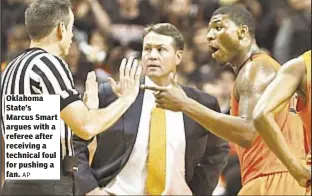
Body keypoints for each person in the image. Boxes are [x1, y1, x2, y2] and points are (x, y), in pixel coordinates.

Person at [143, 6, 307, 195]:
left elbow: (247, 132)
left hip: (273, 179)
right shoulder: (260, 69)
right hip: (285, 178)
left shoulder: (256, 69)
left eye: (218, 27)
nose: (210, 36)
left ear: (243, 32)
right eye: (209, 31)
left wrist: (185, 104)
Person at [0, 0, 141, 195]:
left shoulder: (11, 68)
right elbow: (86, 127)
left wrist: (88, 110)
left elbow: (38, 141)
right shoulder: (49, 64)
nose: (72, 37)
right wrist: (127, 98)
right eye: (71, 28)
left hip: (18, 182)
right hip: (48, 184)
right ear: (60, 29)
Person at [73, 23, 229, 196]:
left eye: (161, 49)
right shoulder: (113, 95)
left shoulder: (201, 103)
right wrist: (89, 188)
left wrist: (199, 191)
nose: (152, 56)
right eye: (147, 49)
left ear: (178, 57)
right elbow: (75, 142)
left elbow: (217, 152)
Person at [253, 50, 311, 189]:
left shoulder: (300, 67)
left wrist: (296, 170)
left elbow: (261, 114)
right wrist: (296, 169)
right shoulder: (301, 67)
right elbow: (261, 115)